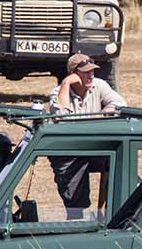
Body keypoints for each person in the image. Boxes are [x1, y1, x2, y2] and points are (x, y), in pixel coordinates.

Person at [47, 53, 126, 220]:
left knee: (119, 162)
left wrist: (100, 116)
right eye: (85, 71)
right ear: (73, 74)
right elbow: (61, 116)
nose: (91, 75)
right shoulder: (58, 92)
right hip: (70, 150)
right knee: (73, 195)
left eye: (92, 71)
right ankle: (75, 220)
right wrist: (66, 83)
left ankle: (105, 213)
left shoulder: (99, 85)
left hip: (95, 146)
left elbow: (120, 104)